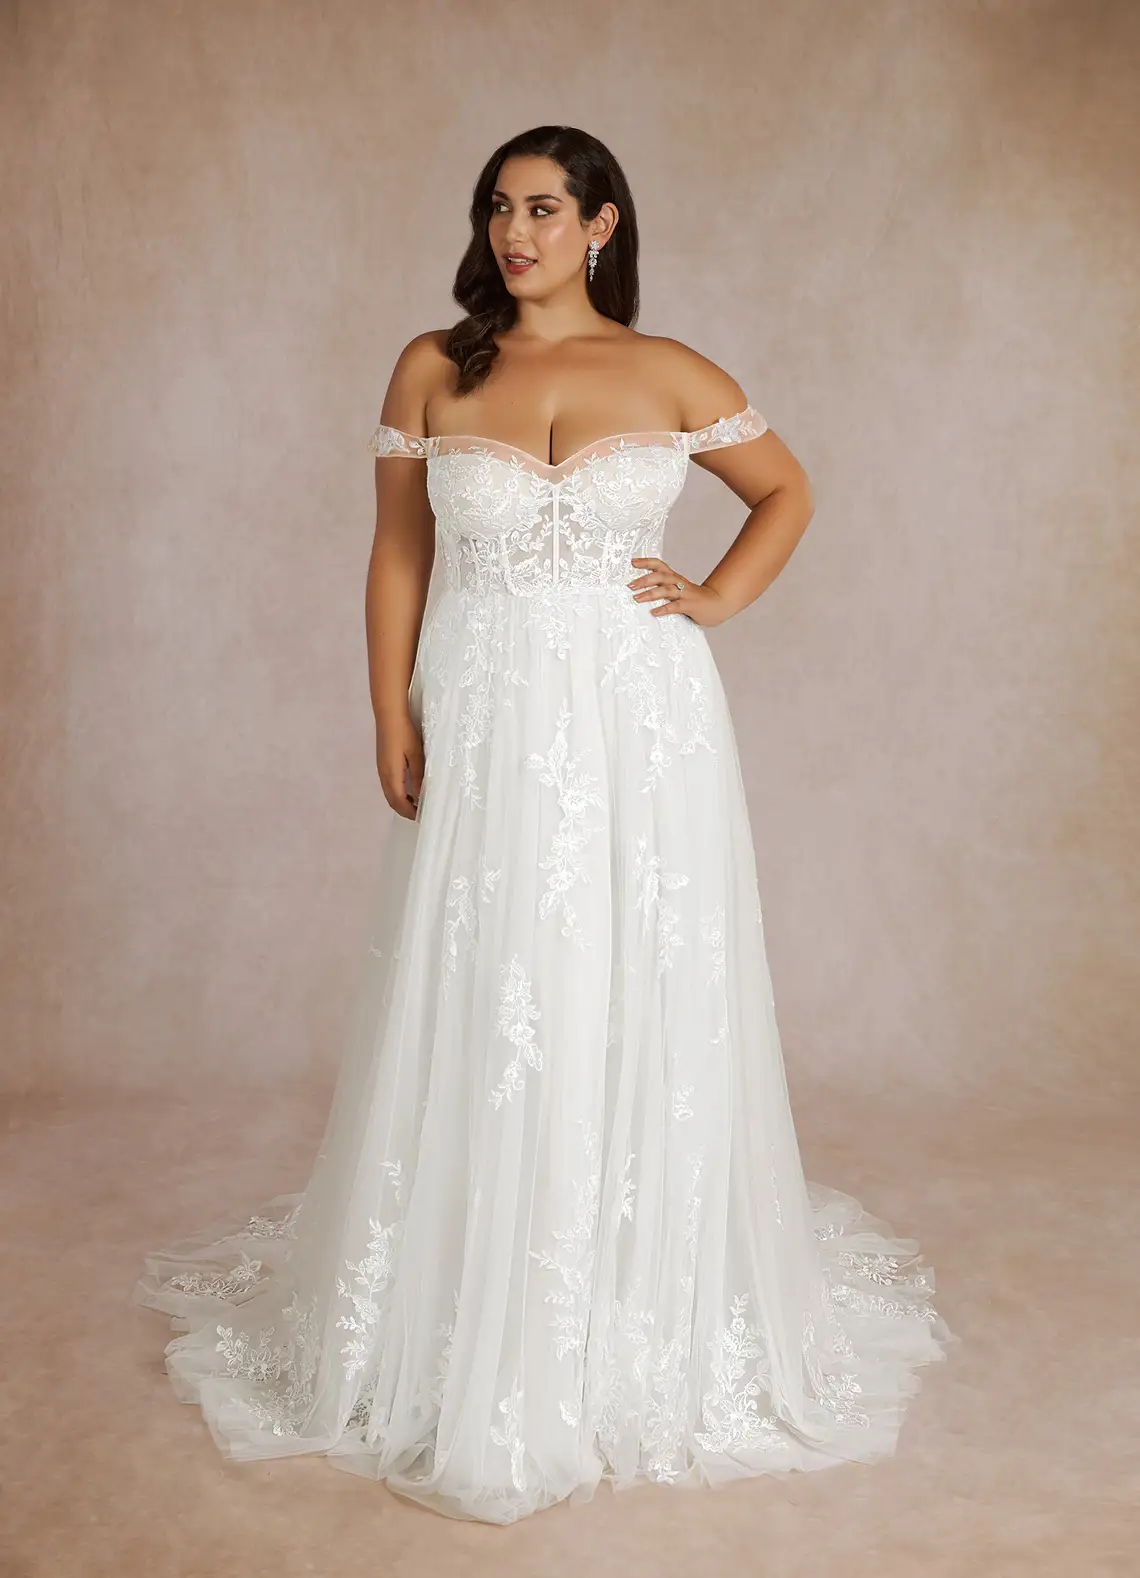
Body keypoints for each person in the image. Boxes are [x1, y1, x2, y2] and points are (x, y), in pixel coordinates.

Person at [135, 124, 953, 1525]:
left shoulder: (670, 369)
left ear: (602, 225)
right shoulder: (434, 367)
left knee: (634, 975)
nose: (515, 234)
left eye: (544, 209)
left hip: (644, 727)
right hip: (489, 713)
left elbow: (788, 490)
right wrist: (387, 707)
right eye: (499, 209)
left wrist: (714, 596)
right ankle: (475, 1297)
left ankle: (629, 1299)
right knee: (498, 980)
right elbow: (399, 547)